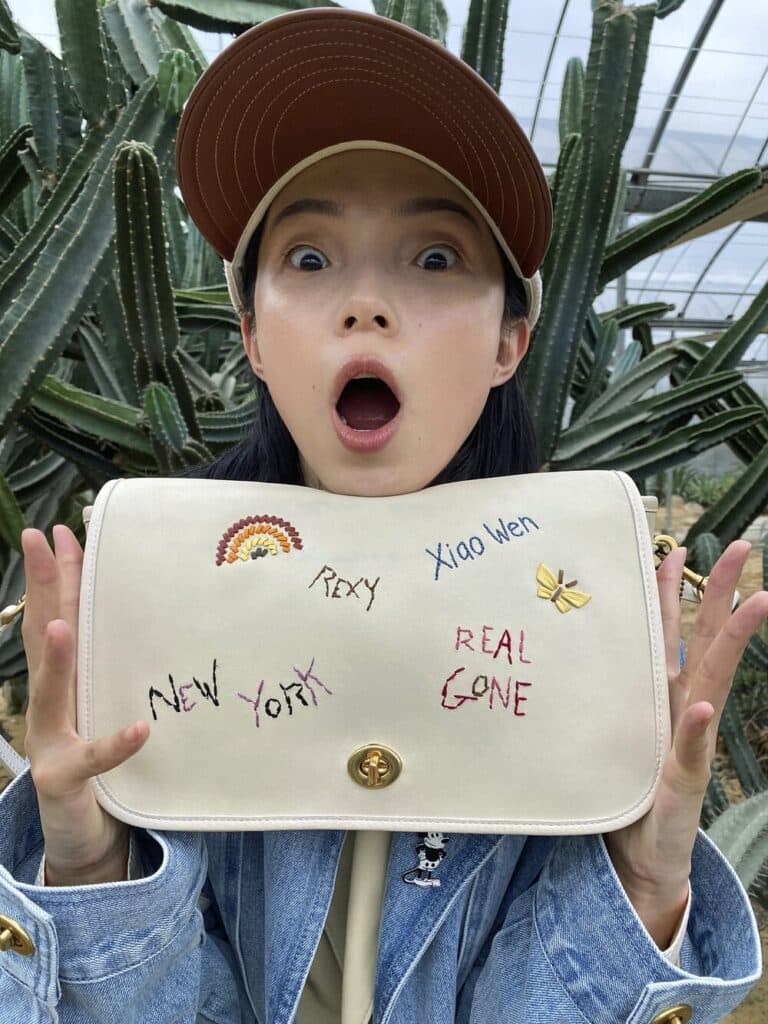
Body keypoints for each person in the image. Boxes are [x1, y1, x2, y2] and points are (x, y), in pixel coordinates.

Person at [1, 9, 765, 1023]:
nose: (363, 304)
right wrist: (94, 859)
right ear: (254, 336)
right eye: (309, 260)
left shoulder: (586, 635)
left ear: (510, 341)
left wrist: (643, 884)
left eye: (436, 258)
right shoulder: (161, 615)